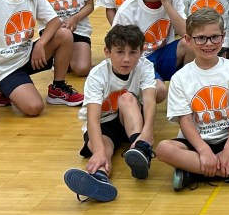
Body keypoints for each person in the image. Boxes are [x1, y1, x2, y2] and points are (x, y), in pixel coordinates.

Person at [155, 9, 229, 190]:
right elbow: (184, 120)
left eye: (215, 37)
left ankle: (193, 173)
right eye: (201, 38)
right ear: (188, 40)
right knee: (163, 149)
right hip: (195, 144)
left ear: (223, 37)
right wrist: (203, 150)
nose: (208, 43)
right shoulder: (180, 78)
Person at [62, 25, 158, 203]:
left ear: (142, 51)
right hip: (103, 123)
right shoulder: (97, 75)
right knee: (103, 149)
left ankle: (140, 149)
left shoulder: (145, 66)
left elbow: (150, 101)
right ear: (107, 52)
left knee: (127, 98)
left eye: (133, 52)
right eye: (120, 52)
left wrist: (146, 133)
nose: (127, 59)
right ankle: (100, 177)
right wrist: (97, 151)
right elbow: (92, 117)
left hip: (129, 117)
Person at [113, 0, 187, 94]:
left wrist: (165, 3)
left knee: (190, 43)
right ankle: (133, 95)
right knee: (158, 91)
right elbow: (117, 50)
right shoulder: (128, 10)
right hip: (138, 60)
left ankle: (186, 92)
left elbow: (186, 33)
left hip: (162, 55)